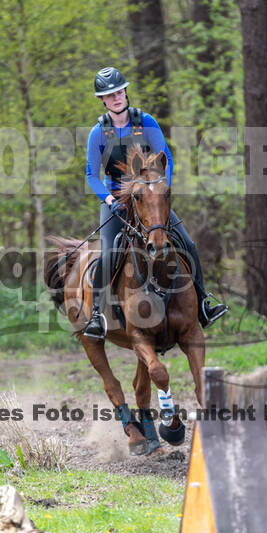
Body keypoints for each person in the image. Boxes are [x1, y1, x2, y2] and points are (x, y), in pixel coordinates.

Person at [83, 66, 227, 338]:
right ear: (102, 99)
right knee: (108, 254)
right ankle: (97, 315)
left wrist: (162, 189)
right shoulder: (98, 133)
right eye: (110, 95)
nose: (117, 98)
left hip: (151, 200)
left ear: (126, 91)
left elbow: (167, 159)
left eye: (120, 91)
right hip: (117, 203)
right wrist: (109, 198)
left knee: (188, 244)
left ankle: (203, 306)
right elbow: (91, 175)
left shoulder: (146, 121)